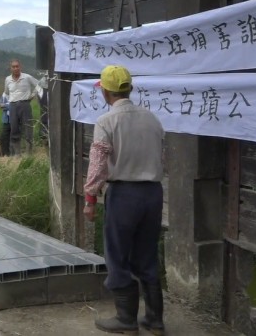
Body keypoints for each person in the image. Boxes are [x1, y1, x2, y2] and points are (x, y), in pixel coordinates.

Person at [83, 65, 165, 335]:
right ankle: (154, 320)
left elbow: (98, 164)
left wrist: (90, 198)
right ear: (130, 88)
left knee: (117, 254)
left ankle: (126, 319)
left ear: (105, 92)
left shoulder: (106, 122)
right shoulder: (152, 119)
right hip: (153, 193)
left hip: (124, 194)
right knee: (147, 255)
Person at [4, 59, 39, 156]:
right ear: (10, 68)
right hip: (13, 105)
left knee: (28, 128)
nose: (15, 68)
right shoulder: (7, 79)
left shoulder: (27, 77)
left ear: (20, 67)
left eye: (17, 66)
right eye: (13, 67)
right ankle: (17, 154)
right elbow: (6, 92)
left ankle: (29, 153)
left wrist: (32, 95)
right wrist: (10, 100)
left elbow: (38, 84)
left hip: (25, 104)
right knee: (14, 128)